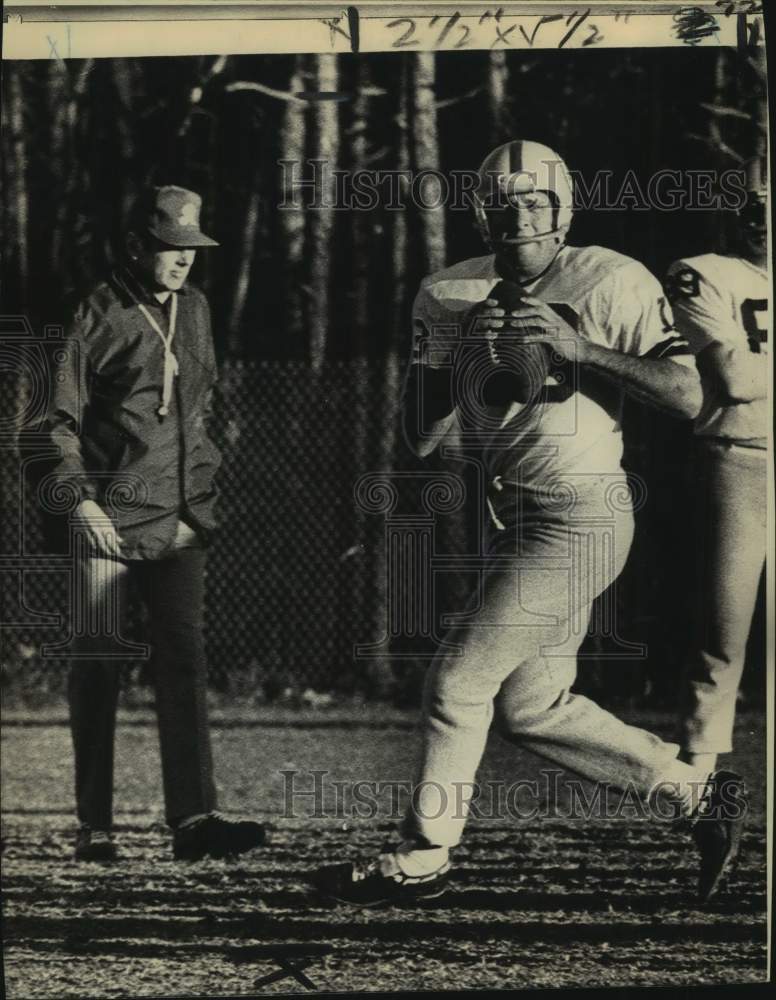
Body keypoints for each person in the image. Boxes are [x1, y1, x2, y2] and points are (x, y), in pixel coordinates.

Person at [315, 141, 746, 905]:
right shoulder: (448, 291)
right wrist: (460, 358)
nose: (521, 218)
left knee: (457, 680)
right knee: (530, 705)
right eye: (504, 203)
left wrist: (582, 351)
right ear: (483, 213)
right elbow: (416, 435)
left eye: (536, 202)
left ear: (564, 207)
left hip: (582, 512)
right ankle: (695, 799)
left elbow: (688, 396)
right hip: (509, 516)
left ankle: (424, 853)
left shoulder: (609, 277)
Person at [42, 185, 266, 862]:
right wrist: (78, 501)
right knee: (98, 663)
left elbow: (199, 404)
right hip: (107, 517)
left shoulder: (196, 309)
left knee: (185, 661)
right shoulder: (93, 311)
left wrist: (202, 489)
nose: (183, 261)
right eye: (171, 248)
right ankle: (95, 825)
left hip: (183, 517)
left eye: (192, 249)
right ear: (136, 245)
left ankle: (193, 821)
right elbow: (56, 420)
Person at [666, 158, 768, 775]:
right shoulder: (702, 273)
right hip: (743, 465)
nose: (760, 215)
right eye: (750, 202)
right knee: (723, 639)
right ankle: (699, 788)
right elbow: (731, 379)